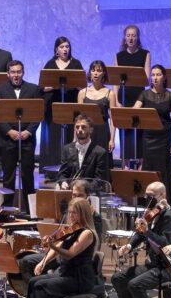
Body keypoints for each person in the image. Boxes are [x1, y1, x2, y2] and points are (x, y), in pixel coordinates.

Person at [19, 196, 98, 298]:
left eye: (75, 213)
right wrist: (43, 262)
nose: (71, 216)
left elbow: (69, 253)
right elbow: (56, 249)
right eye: (70, 213)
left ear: (83, 214)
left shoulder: (87, 233)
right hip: (65, 273)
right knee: (33, 282)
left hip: (78, 278)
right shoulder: (70, 230)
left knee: (40, 286)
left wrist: (52, 245)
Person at [111, 180, 171, 298]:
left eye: (151, 196)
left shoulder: (169, 216)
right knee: (118, 278)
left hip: (166, 267)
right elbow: (140, 233)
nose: (148, 199)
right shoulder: (152, 212)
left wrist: (147, 231)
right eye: (146, 196)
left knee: (135, 284)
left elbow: (165, 243)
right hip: (152, 265)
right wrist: (130, 246)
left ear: (162, 195)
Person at [0, 60, 41, 204]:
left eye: (19, 72)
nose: (16, 75)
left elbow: (38, 114)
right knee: (8, 176)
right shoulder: (0, 90)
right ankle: (7, 209)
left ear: (23, 72)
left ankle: (31, 211)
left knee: (28, 176)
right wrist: (9, 131)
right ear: (8, 74)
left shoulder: (33, 89)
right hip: (7, 140)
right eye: (13, 72)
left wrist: (28, 132)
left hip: (27, 140)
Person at [134, 64, 171, 200]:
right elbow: (135, 109)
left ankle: (165, 201)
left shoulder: (170, 96)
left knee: (164, 169)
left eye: (158, 74)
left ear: (164, 77)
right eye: (153, 75)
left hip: (164, 138)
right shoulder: (145, 94)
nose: (155, 77)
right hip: (148, 137)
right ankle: (147, 202)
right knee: (148, 168)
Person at [39, 36, 83, 165]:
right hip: (53, 106)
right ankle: (52, 167)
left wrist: (72, 83)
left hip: (71, 105)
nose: (65, 49)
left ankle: (70, 167)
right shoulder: (50, 64)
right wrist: (54, 85)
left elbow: (82, 86)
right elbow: (42, 87)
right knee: (53, 137)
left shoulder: (76, 63)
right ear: (56, 50)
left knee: (70, 136)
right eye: (62, 47)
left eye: (67, 47)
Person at [56, 110, 112, 190]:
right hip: (71, 192)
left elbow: (100, 180)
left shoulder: (100, 152)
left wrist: (83, 188)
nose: (79, 129)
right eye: (77, 127)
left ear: (91, 130)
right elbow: (62, 174)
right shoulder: (67, 149)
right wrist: (63, 182)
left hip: (91, 194)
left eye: (83, 127)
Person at [78, 59, 117, 155]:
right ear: (90, 73)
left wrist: (112, 139)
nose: (95, 73)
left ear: (103, 73)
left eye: (99, 71)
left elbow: (113, 119)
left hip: (103, 132)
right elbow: (79, 120)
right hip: (86, 132)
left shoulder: (110, 93)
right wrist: (76, 138)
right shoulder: (82, 93)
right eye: (93, 70)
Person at [114, 24, 151, 109]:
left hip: (139, 96)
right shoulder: (119, 56)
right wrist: (116, 101)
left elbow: (147, 78)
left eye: (133, 36)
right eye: (128, 36)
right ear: (125, 38)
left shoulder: (145, 54)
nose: (131, 38)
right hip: (122, 96)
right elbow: (116, 82)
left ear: (137, 38)